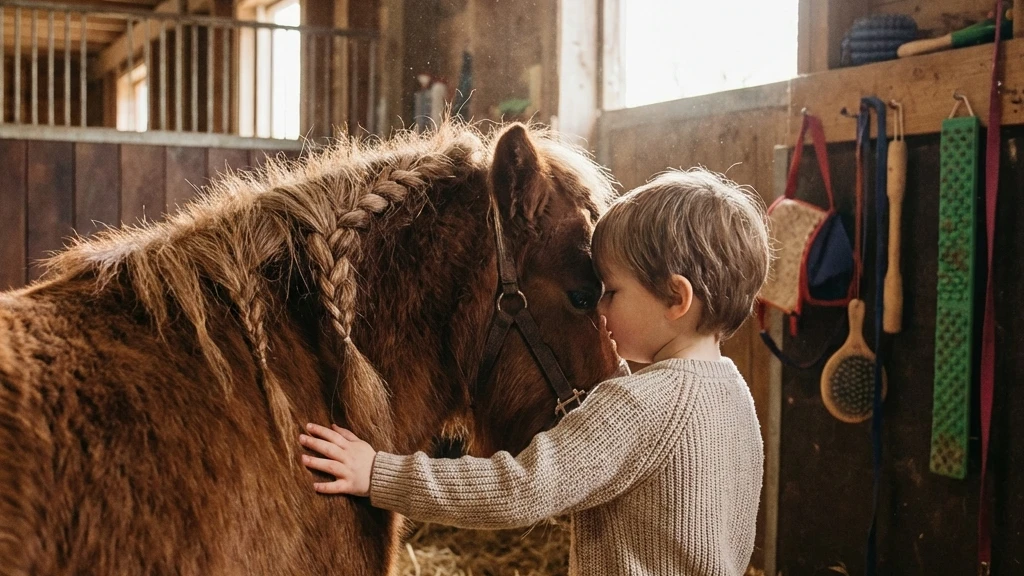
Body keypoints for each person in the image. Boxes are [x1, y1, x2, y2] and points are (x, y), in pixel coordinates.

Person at [299, 168, 771, 575]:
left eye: (610, 292)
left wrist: (378, 473)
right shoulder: (737, 400)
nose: (600, 311)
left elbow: (518, 490)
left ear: (676, 298)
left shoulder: (636, 407)